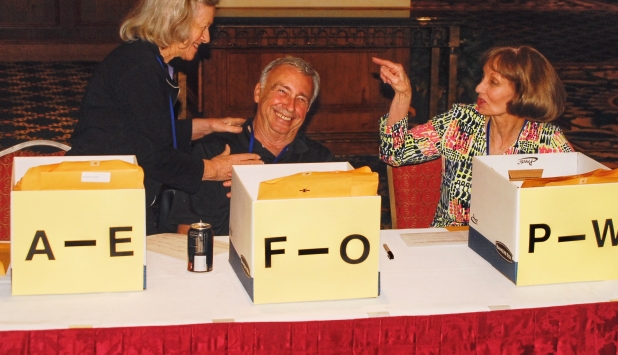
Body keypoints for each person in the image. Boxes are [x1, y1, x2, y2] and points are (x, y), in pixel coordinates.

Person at [67, 0, 262, 234]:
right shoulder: (139, 69)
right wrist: (215, 169)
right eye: (203, 27)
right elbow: (155, 157)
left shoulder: (148, 60)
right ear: (175, 20)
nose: (206, 38)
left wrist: (207, 126)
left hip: (115, 193)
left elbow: (145, 130)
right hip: (97, 200)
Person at [376, 45, 574, 227]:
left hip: (513, 250)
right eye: (483, 78)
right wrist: (403, 94)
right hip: (451, 245)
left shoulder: (547, 142)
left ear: (523, 92)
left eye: (493, 82)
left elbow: (575, 204)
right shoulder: (460, 122)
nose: (479, 88)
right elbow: (394, 153)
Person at [165, 56, 335, 235]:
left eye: (301, 99)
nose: (290, 106)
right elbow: (187, 235)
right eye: (282, 91)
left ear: (308, 109)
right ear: (258, 92)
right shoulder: (214, 151)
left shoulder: (321, 162)